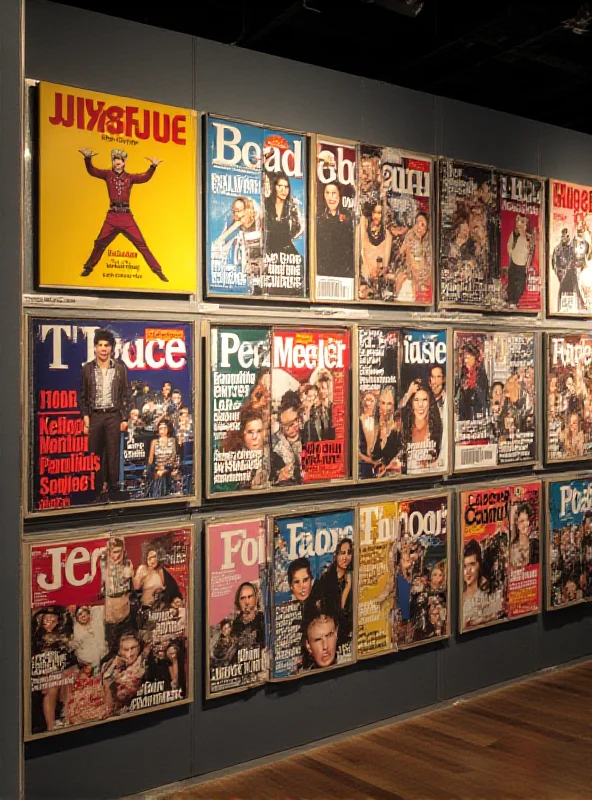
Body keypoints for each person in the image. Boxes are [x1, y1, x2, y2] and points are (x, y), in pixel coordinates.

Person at [78, 148, 168, 281]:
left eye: (120, 159)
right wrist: (87, 158)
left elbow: (144, 177)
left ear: (124, 162)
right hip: (112, 216)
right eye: (115, 159)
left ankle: (157, 269)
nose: (117, 162)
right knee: (100, 243)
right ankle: (89, 267)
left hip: (126, 216)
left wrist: (153, 166)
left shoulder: (130, 178)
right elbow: (92, 171)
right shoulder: (107, 174)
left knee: (141, 243)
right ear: (112, 162)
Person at [79, 328, 131, 501]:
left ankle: (113, 490)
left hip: (113, 415)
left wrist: (124, 418)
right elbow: (83, 396)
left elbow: (126, 394)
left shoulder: (120, 368)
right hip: (95, 416)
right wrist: (86, 419)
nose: (103, 349)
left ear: (111, 348)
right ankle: (96, 490)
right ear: (95, 348)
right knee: (94, 454)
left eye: (106, 345)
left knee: (113, 454)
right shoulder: (87, 369)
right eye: (100, 345)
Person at [32, 607, 71, 731]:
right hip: (44, 672)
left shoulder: (61, 635)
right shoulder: (35, 636)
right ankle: (50, 726)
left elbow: (68, 656)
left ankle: (66, 718)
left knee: (68, 681)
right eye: (47, 619)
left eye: (53, 620)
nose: (50, 622)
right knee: (52, 687)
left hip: (61, 669)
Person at [315, 539, 353, 645]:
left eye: (349, 553)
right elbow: (336, 612)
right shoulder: (326, 580)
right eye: (342, 553)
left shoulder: (351, 577)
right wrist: (347, 589)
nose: (345, 557)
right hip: (331, 637)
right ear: (336, 555)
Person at [101, 537, 136, 654]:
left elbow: (135, 588)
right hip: (110, 620)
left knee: (128, 650)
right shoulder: (103, 566)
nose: (116, 556)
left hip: (125, 617)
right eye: (113, 552)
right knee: (112, 652)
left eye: (118, 552)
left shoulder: (127, 565)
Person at [400, 381, 442, 472]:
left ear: (430, 403)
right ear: (411, 403)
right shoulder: (404, 426)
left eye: (424, 400)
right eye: (416, 400)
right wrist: (408, 394)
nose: (420, 405)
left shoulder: (436, 427)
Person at [316, 181, 354, 279]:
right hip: (323, 273)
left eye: (334, 193)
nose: (330, 197)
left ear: (339, 195)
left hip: (343, 273)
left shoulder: (348, 217)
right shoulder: (318, 218)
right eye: (327, 193)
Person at [102, 632, 146, 715]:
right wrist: (114, 665)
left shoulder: (143, 661)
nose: (130, 653)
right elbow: (106, 680)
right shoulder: (111, 664)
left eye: (133, 648)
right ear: (119, 651)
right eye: (126, 650)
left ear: (139, 648)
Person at [394, 212, 431, 301]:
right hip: (409, 284)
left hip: (422, 289)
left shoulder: (427, 246)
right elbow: (400, 256)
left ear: (426, 229)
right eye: (417, 222)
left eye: (422, 224)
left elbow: (425, 271)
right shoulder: (409, 237)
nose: (418, 226)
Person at [264, 173, 302, 258]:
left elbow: (299, 227)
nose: (283, 190)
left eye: (286, 187)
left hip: (287, 252)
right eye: (280, 186)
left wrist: (289, 239)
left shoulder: (292, 206)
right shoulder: (266, 204)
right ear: (274, 187)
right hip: (269, 251)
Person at [133, 545, 182, 611]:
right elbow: (135, 589)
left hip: (163, 612)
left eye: (154, 557)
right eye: (149, 558)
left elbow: (175, 592)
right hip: (146, 611)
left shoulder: (165, 572)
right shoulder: (143, 570)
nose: (152, 561)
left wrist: (176, 600)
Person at [359, 202, 392, 297]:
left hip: (378, 278)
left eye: (380, 213)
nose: (377, 216)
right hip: (364, 275)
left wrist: (380, 275)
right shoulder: (364, 226)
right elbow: (359, 254)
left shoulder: (387, 234)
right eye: (375, 212)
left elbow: (385, 265)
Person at [271, 390, 303, 486]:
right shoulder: (274, 446)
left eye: (295, 421)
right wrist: (278, 477)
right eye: (287, 425)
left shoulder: (308, 436)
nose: (293, 427)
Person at [371, 385, 404, 475]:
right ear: (378, 404)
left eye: (389, 403)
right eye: (383, 402)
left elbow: (402, 453)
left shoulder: (398, 426)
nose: (385, 407)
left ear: (394, 406)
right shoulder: (373, 423)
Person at [462, 539, 495, 627]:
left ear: (479, 565)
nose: (468, 571)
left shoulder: (487, 596)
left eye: (472, 564)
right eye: (464, 566)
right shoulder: (457, 598)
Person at [506, 212, 535, 307]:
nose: (521, 226)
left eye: (523, 223)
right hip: (514, 261)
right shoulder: (514, 235)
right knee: (512, 283)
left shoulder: (529, 237)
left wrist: (527, 263)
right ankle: (511, 301)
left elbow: (531, 250)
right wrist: (512, 253)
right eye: (519, 223)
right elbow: (509, 246)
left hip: (523, 264)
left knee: (521, 285)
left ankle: (516, 300)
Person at [456, 341, 489, 422]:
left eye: (468, 357)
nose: (466, 360)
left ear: (475, 357)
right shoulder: (462, 374)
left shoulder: (480, 375)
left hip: (477, 417)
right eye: (465, 357)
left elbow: (483, 399)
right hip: (464, 416)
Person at [70, 605, 108, 673]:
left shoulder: (97, 620)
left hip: (104, 658)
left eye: (84, 614)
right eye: (79, 615)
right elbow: (74, 647)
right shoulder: (76, 630)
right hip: (87, 663)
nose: (82, 617)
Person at [147, 419, 178, 497]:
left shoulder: (172, 440)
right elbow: (150, 459)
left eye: (164, 428)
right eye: (161, 428)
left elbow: (173, 457)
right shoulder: (154, 442)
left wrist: (165, 468)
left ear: (168, 429)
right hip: (158, 467)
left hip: (169, 467)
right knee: (158, 475)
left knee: (162, 474)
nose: (162, 430)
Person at [231, 582, 265, 649]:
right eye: (242, 598)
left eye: (250, 597)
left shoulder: (262, 618)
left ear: (256, 598)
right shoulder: (235, 625)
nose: (247, 602)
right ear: (238, 601)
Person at [510, 502, 538, 568]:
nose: (526, 524)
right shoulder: (513, 546)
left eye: (527, 520)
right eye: (522, 521)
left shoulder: (535, 543)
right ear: (516, 522)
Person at [358, 391, 378, 479]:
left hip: (377, 464)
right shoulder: (359, 421)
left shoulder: (377, 422)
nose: (368, 403)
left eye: (371, 400)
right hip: (362, 465)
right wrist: (370, 460)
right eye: (367, 400)